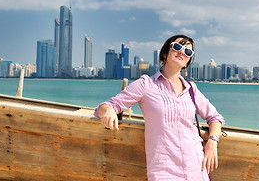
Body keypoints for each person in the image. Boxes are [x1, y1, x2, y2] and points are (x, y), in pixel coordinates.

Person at [94, 34, 225, 181]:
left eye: (188, 51)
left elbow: (215, 117)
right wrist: (109, 111)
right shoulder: (146, 84)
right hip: (164, 171)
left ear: (188, 61)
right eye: (177, 47)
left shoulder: (191, 89)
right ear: (164, 53)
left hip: (197, 167)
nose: (182, 52)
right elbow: (106, 106)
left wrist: (212, 142)